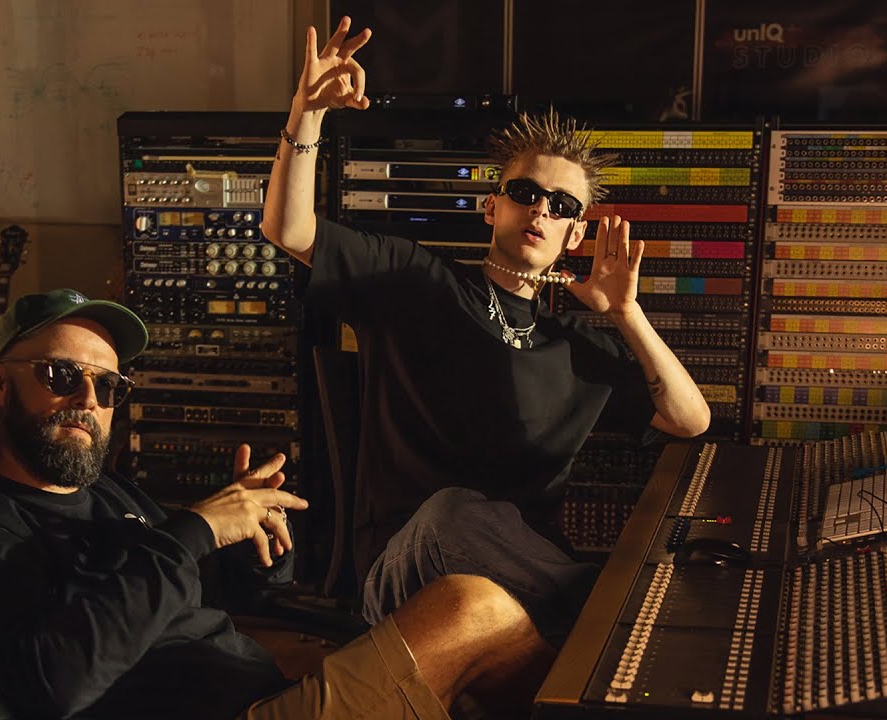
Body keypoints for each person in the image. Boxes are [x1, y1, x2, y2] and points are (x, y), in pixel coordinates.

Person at [260, 19, 712, 645]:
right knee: (452, 512)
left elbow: (691, 420)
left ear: (575, 233)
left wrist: (625, 314)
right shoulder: (415, 281)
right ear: (492, 206)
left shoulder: (575, 348)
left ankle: (595, 623)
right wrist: (307, 114)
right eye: (525, 192)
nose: (541, 209)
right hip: (410, 571)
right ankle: (612, 620)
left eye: (563, 206)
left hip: (524, 586)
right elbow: (288, 230)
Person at [0, 288, 556, 720]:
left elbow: (191, 592)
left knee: (484, 659)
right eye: (62, 375)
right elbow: (54, 680)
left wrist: (254, 551)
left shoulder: (106, 493)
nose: (89, 399)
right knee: (471, 608)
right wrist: (197, 527)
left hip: (265, 690)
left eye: (109, 386)